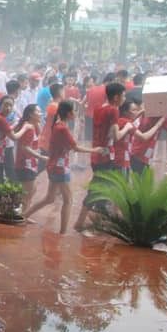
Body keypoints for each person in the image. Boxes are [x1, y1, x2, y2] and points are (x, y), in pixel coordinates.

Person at [24, 101, 107, 234]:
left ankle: (23, 216)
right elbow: (76, 147)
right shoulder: (61, 128)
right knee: (68, 200)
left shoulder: (58, 125)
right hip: (59, 168)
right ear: (69, 113)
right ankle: (63, 232)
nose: (75, 113)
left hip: (54, 166)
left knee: (49, 198)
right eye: (74, 111)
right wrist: (95, 150)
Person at [73, 81, 125, 232]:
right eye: (123, 95)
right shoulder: (113, 110)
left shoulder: (98, 108)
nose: (124, 98)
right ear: (116, 97)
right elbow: (116, 136)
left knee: (102, 189)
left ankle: (98, 221)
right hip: (105, 156)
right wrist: (127, 127)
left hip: (97, 154)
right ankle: (80, 222)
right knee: (96, 189)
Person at [14, 104, 46, 213]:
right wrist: (41, 156)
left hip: (30, 163)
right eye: (38, 112)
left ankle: (23, 214)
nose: (41, 114)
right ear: (31, 114)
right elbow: (24, 147)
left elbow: (42, 136)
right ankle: (20, 215)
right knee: (27, 193)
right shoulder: (28, 128)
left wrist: (37, 123)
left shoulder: (32, 126)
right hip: (25, 164)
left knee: (32, 190)